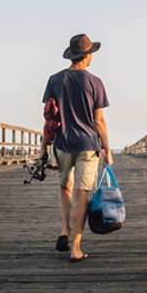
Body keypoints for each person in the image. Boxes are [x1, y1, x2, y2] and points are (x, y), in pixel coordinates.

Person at [42, 33, 112, 262]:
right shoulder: (95, 82)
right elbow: (99, 120)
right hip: (88, 144)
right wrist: (108, 149)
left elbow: (49, 117)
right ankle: (76, 247)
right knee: (83, 194)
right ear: (86, 55)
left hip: (63, 143)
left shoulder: (54, 80)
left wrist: (43, 147)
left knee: (65, 186)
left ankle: (65, 229)